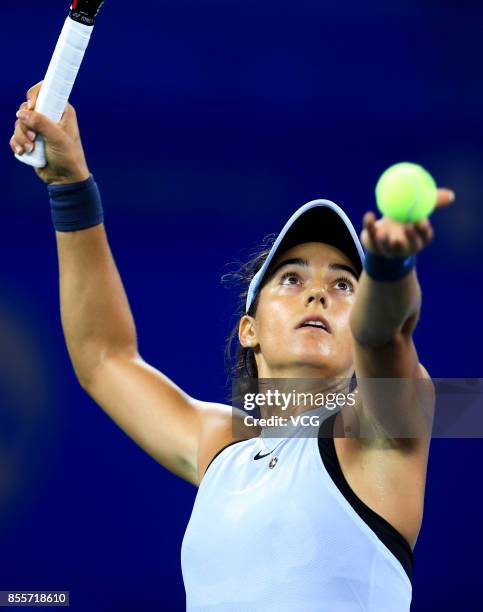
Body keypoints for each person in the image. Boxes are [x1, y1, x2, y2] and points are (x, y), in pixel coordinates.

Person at [10, 82, 455, 611]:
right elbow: (104, 358)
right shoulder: (221, 447)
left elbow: (388, 332)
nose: (318, 291)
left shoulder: (381, 433)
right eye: (292, 278)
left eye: (343, 286)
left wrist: (389, 269)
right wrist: (69, 184)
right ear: (251, 329)